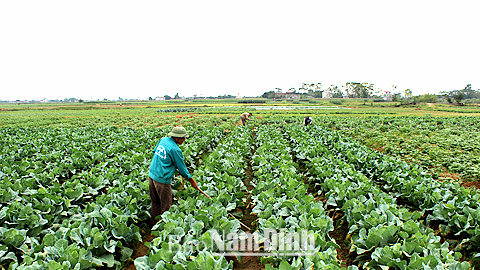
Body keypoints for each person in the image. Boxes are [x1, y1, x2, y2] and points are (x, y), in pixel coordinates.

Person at [148, 126, 198, 225]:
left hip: (152, 175)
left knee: (155, 203)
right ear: (175, 137)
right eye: (182, 137)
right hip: (162, 180)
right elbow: (183, 169)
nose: (184, 140)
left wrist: (169, 164)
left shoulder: (163, 140)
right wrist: (192, 181)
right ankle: (164, 229)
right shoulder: (175, 150)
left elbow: (156, 153)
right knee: (166, 206)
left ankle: (153, 225)